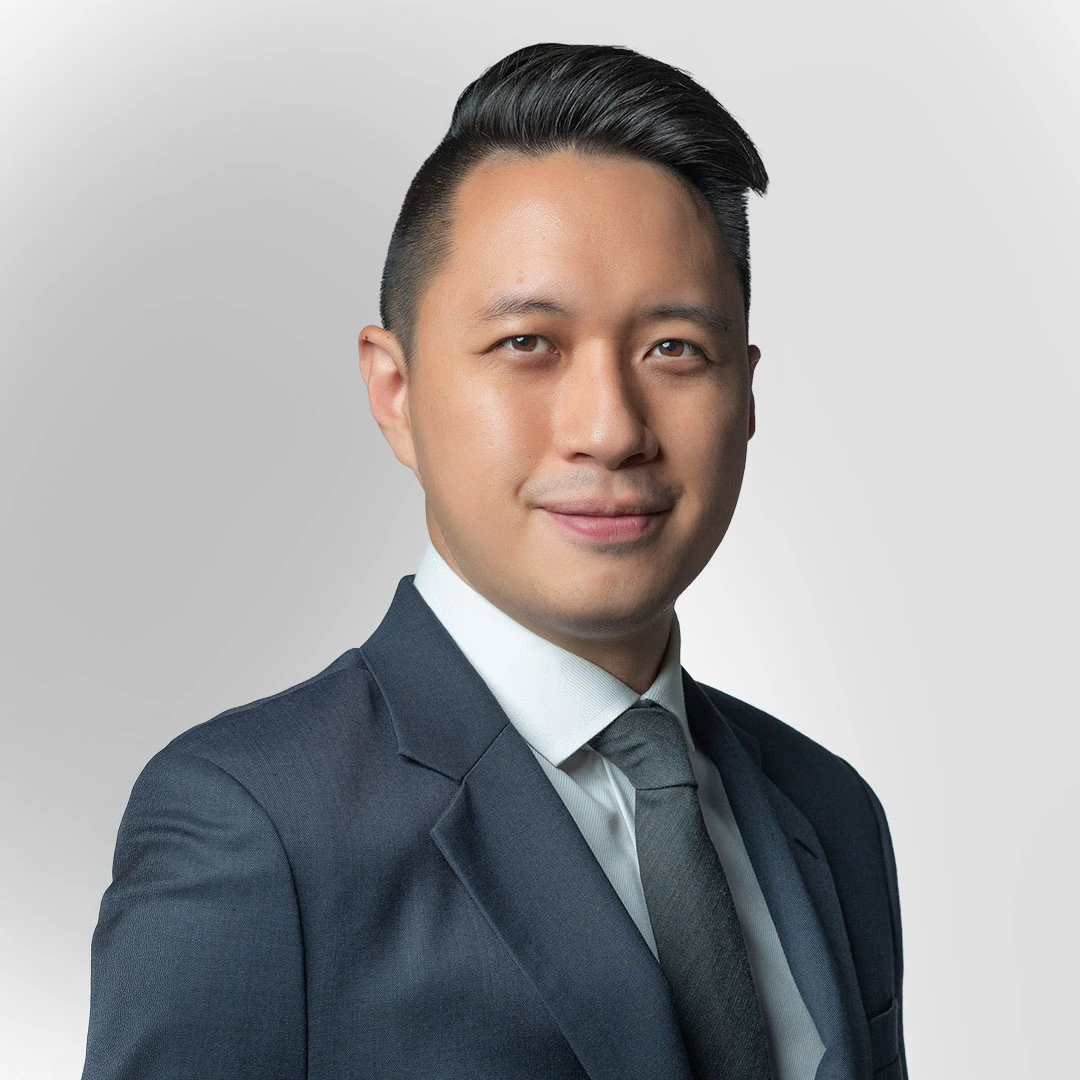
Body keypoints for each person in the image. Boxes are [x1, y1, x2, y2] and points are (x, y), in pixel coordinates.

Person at [81, 42, 906, 1080]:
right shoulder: (256, 832)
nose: (610, 430)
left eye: (674, 351)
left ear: (744, 396)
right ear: (397, 391)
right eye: (530, 345)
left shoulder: (830, 814)